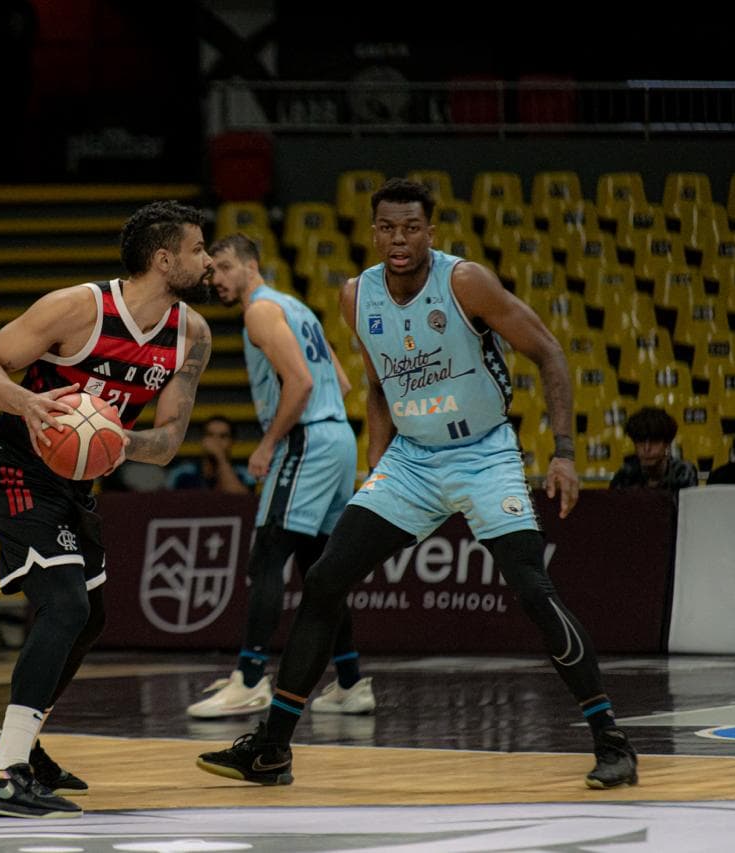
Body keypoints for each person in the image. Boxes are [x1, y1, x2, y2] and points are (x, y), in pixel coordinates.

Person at [196, 179, 638, 791]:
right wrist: (377, 463)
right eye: (387, 228)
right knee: (325, 579)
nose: (398, 239)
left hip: (485, 454)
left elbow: (551, 353)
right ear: (373, 230)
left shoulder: (466, 282)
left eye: (410, 228)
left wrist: (562, 453)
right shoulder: (357, 295)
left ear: (430, 230)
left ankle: (612, 740)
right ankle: (271, 749)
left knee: (534, 590)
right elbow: (378, 385)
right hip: (412, 459)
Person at [0, 201, 214, 818]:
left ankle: (16, 743)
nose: (209, 261)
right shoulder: (76, 308)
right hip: (14, 463)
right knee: (65, 602)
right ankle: (1, 775)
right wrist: (29, 403)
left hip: (75, 482)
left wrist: (123, 441)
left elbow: (170, 440)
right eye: (199, 250)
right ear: (163, 259)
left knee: (92, 616)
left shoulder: (192, 334)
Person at [186, 233, 374, 720]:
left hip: (307, 439)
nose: (217, 279)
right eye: (211, 272)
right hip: (338, 440)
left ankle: (249, 679)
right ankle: (352, 683)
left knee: (266, 555)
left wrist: (268, 443)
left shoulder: (260, 311)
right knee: (320, 568)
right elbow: (342, 379)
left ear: (252, 265)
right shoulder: (297, 307)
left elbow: (303, 382)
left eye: (224, 267)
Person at [609, 407, 698, 491]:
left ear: (667, 443)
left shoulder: (682, 472)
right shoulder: (625, 475)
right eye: (641, 441)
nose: (647, 448)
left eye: (654, 441)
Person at [164, 415, 254, 493]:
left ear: (232, 442)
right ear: (202, 440)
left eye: (223, 436)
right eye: (210, 435)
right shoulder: (182, 473)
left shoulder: (244, 474)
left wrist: (220, 458)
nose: (216, 441)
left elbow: (241, 500)